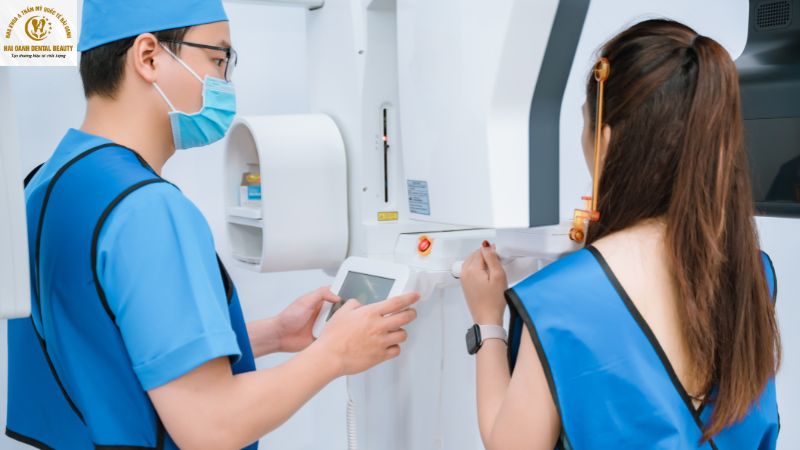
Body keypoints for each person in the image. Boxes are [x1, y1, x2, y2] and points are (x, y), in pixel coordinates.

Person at [6, 1, 419, 448]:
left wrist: (275, 333)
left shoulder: (44, 183)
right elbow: (212, 426)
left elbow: (111, 349)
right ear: (148, 57)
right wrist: (333, 354)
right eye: (219, 58)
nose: (225, 82)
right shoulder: (148, 209)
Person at [460, 20, 781, 449]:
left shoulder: (561, 299)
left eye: (584, 124)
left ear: (606, 143)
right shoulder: (754, 272)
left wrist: (487, 322)